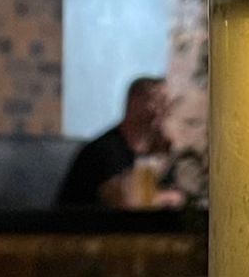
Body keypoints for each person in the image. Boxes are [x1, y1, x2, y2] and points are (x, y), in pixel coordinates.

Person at [55, 75, 180, 208]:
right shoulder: (104, 149)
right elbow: (126, 202)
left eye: (167, 102)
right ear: (133, 102)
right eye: (157, 100)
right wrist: (166, 198)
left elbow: (177, 196)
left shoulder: (157, 148)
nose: (164, 108)